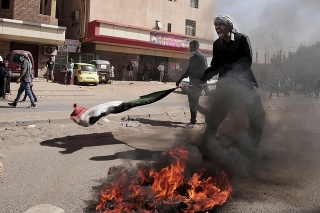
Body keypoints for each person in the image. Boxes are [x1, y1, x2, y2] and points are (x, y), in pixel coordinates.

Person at [199, 15, 265, 157]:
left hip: (244, 85)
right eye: (215, 25)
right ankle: (204, 151)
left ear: (229, 25)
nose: (217, 27)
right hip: (226, 87)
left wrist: (226, 68)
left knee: (258, 116)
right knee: (214, 120)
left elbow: (246, 62)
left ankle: (250, 148)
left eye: (220, 24)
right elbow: (215, 65)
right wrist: (203, 77)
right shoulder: (217, 44)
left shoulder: (242, 39)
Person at [176, 40, 207, 128]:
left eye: (191, 47)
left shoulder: (201, 57)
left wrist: (201, 81)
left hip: (198, 84)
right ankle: (197, 118)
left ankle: (194, 121)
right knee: (192, 103)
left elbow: (205, 71)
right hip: (192, 82)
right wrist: (180, 79)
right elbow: (189, 70)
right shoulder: (192, 57)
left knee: (194, 102)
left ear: (196, 47)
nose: (189, 49)